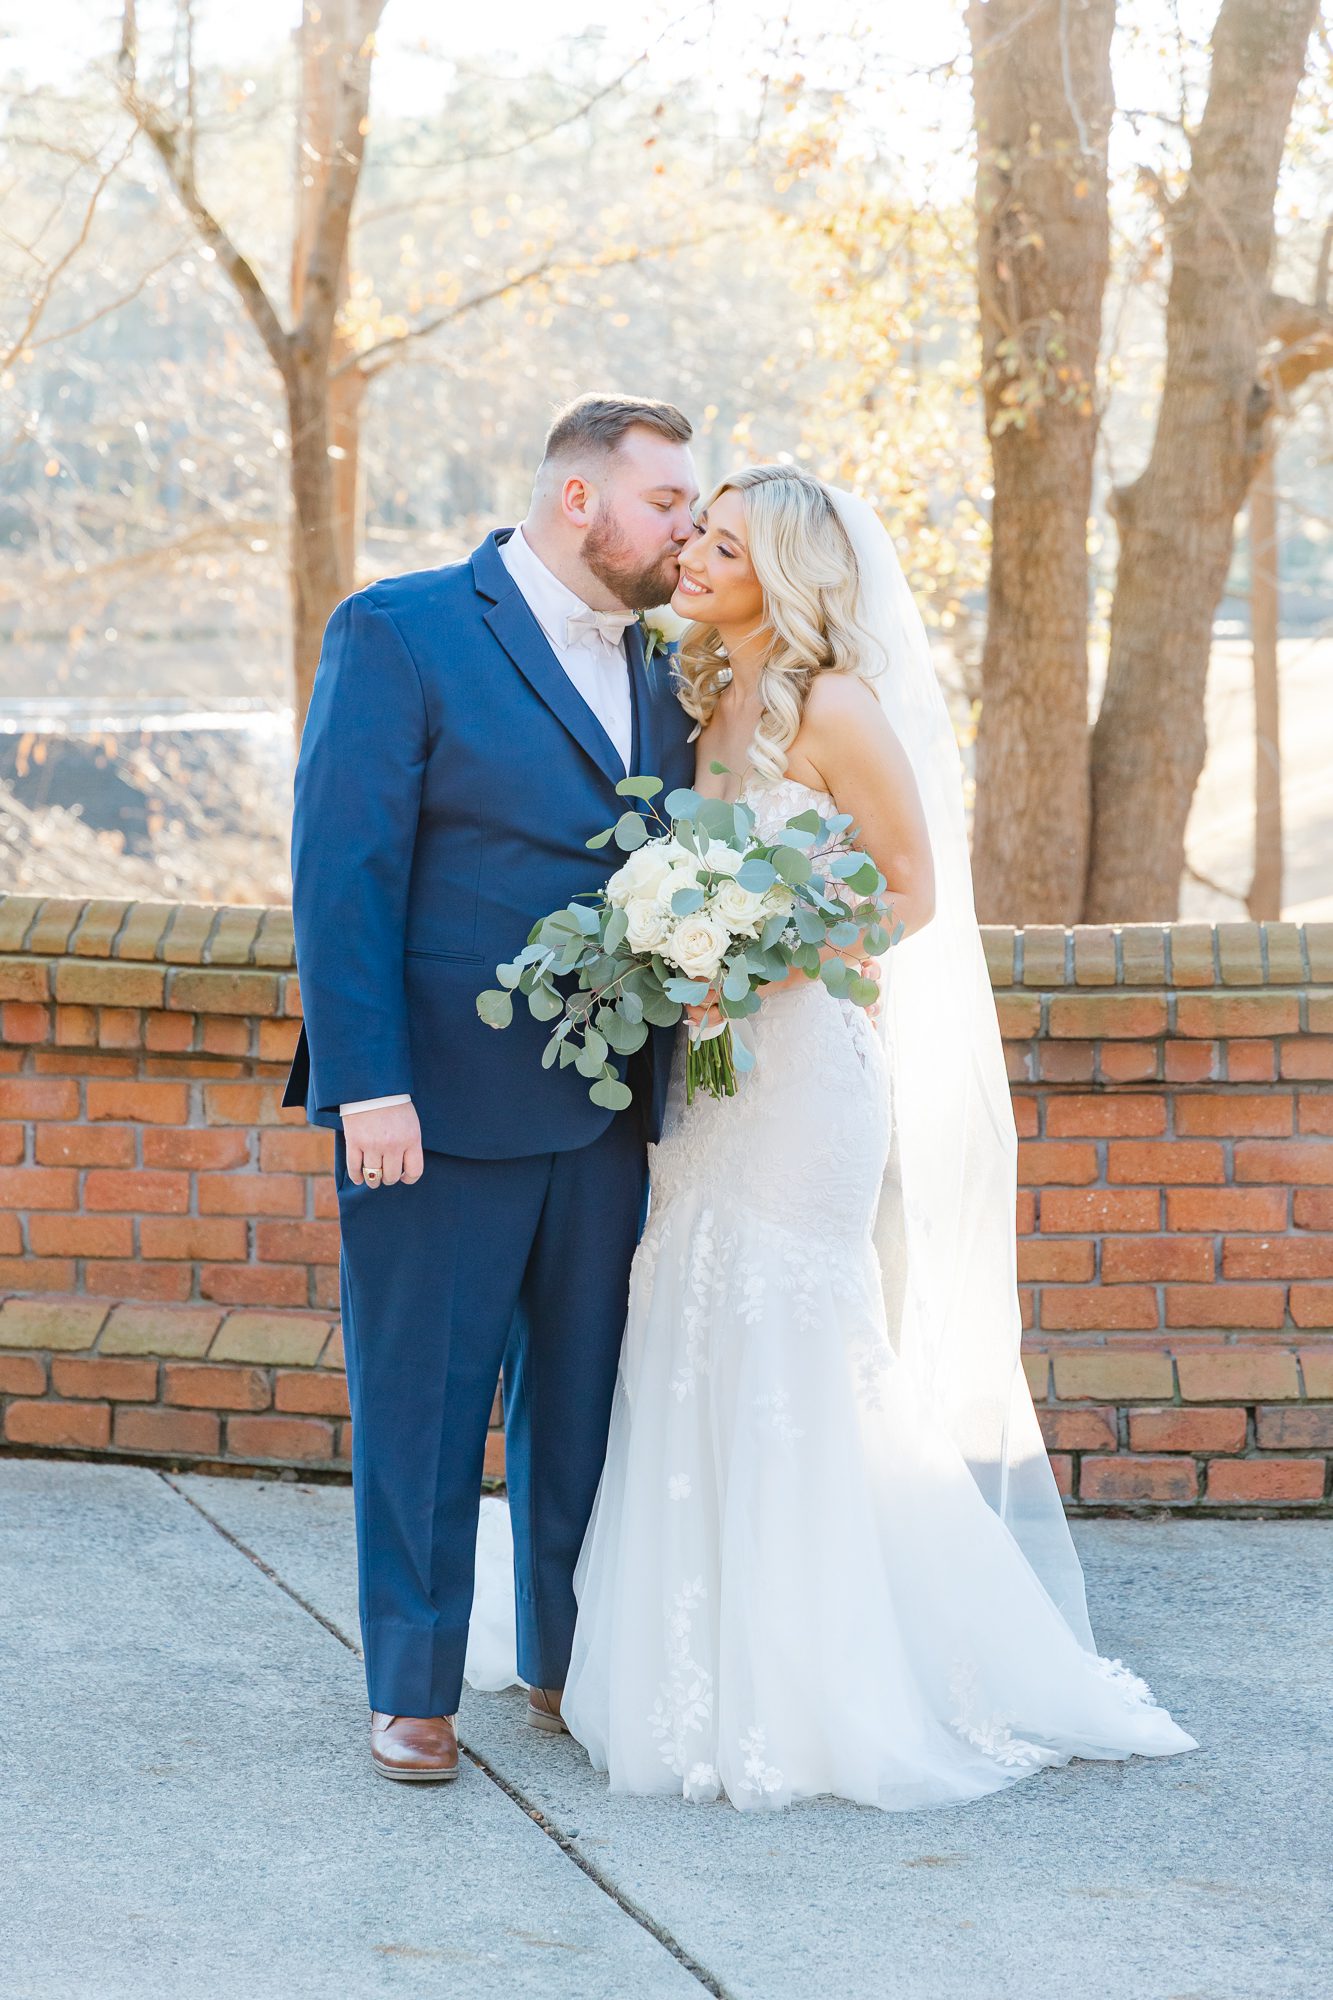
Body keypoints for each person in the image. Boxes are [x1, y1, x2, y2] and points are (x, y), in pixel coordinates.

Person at [509, 463, 1197, 1810]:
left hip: (807, 1064)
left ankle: (827, 1671)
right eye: (693, 535)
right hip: (709, 1072)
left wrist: (764, 960)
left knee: (785, 1324)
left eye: (718, 543)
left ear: (782, 573)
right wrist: (681, 959)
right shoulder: (705, 699)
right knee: (689, 1304)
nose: (692, 558)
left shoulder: (835, 707)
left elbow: (912, 887)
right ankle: (687, 1652)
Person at [283, 393, 699, 1781]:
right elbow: (344, 874)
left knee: (582, 1405)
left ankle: (564, 1665)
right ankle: (410, 1689)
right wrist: (365, 1088)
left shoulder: (662, 666)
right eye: (664, 505)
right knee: (423, 1402)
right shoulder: (399, 629)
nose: (682, 532)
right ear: (579, 499)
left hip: (605, 1110)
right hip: (435, 1109)